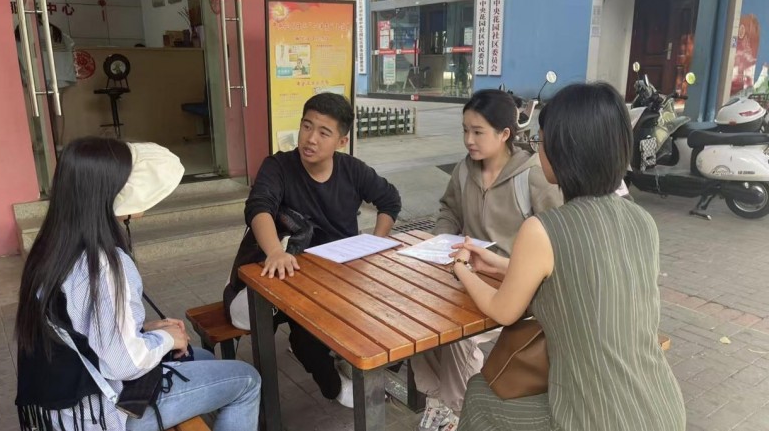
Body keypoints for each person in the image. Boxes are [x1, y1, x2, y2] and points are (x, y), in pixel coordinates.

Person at [452, 83, 685, 431]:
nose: (537, 150)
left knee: (479, 396)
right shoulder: (641, 220)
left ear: (563, 150)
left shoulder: (542, 229)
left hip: (592, 417)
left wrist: (462, 270)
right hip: (662, 408)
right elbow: (577, 280)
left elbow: (503, 310)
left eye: (541, 141)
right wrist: (499, 265)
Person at [14, 138, 261, 431]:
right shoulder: (102, 264)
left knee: (203, 357)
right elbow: (125, 364)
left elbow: (81, 327)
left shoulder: (51, 247)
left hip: (65, 408)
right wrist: (167, 339)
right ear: (107, 193)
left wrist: (146, 330)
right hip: (105, 413)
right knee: (247, 380)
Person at [229, 92, 401, 408]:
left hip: (343, 272)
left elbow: (389, 200)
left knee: (391, 311)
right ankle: (333, 386)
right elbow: (258, 207)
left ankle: (360, 361)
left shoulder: (353, 170)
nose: (310, 139)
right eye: (306, 126)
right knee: (305, 331)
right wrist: (274, 252)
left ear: (342, 141)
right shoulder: (279, 166)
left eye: (324, 132)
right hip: (295, 271)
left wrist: (377, 242)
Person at [412, 89, 562, 430]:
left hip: (517, 285)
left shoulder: (533, 176)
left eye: (478, 132)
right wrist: (442, 240)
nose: (469, 140)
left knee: (456, 334)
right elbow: (449, 209)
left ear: (505, 133)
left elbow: (557, 237)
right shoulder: (464, 171)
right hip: (469, 275)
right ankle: (439, 403)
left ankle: (460, 410)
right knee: (423, 318)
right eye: (465, 130)